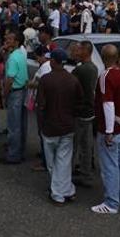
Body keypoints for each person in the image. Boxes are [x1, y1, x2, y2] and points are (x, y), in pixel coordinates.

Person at [36, 48, 83, 206]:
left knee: (52, 162)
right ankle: (67, 189)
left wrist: (41, 124)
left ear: (53, 61)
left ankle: (58, 194)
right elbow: (79, 103)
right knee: (63, 161)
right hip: (67, 125)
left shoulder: (45, 80)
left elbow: (41, 105)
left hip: (50, 126)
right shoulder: (73, 80)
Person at [91, 44, 120, 214]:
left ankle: (111, 203)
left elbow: (108, 103)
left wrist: (108, 131)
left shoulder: (106, 76)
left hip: (111, 128)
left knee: (110, 166)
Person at [69, 40, 98, 187]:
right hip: (89, 112)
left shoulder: (82, 70)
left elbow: (71, 86)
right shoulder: (92, 68)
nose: (76, 52)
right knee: (86, 145)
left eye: (79, 50)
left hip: (80, 112)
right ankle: (86, 174)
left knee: (73, 145)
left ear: (86, 51)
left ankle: (67, 174)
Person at [1, 31, 28, 164]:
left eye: (10, 38)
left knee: (13, 126)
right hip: (22, 91)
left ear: (17, 41)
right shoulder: (20, 54)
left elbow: (9, 79)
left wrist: (4, 95)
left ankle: (13, 155)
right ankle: (20, 151)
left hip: (15, 92)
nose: (7, 39)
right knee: (21, 124)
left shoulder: (13, 57)